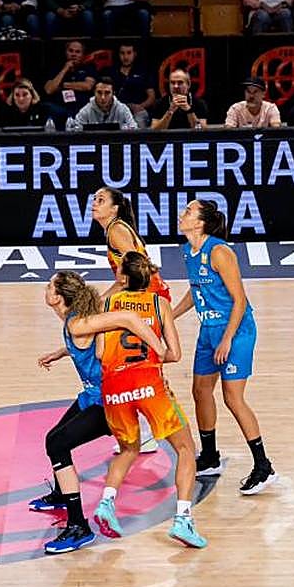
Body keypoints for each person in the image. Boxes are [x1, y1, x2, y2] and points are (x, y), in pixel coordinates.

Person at [31, 271, 168, 554]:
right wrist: (60, 353)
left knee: (56, 443)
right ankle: (61, 493)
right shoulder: (75, 320)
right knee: (55, 437)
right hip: (91, 397)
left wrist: (160, 350)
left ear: (58, 297)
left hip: (109, 403)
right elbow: (83, 342)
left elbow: (129, 319)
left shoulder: (78, 323)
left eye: (49, 286)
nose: (45, 289)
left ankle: (79, 527)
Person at [92, 251, 206, 549]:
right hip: (149, 385)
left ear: (123, 278)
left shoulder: (108, 303)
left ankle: (106, 503)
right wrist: (152, 360)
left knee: (128, 449)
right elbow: (175, 354)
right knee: (184, 447)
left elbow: (101, 354)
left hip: (115, 387)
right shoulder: (160, 304)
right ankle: (182, 519)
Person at [173, 199, 279, 495]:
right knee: (200, 390)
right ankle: (209, 456)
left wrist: (228, 338)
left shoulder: (219, 252)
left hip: (236, 331)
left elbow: (240, 299)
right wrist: (170, 315)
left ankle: (263, 466)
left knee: (233, 397)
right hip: (209, 331)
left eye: (189, 211)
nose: (183, 214)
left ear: (201, 222)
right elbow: (197, 291)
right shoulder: (188, 251)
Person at [91, 185, 169, 454]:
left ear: (114, 208)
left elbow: (138, 267)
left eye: (101, 200)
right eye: (94, 199)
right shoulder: (114, 228)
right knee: (136, 361)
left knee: (132, 361)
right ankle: (145, 429)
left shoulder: (116, 229)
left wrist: (105, 301)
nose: (94, 203)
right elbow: (125, 276)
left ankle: (148, 430)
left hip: (146, 296)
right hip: (143, 293)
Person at [43, 40, 96, 123]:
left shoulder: (88, 68)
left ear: (83, 55)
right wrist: (65, 69)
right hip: (60, 108)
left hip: (82, 108)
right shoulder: (57, 68)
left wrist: (63, 85)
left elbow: (87, 86)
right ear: (66, 52)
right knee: (48, 107)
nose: (73, 54)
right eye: (70, 51)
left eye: (77, 52)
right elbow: (49, 89)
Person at [104, 43, 156, 128]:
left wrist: (140, 106)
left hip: (138, 110)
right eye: (122, 53)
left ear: (134, 54)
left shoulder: (143, 71)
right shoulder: (111, 72)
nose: (125, 57)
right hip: (116, 110)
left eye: (129, 53)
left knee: (139, 120)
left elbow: (152, 97)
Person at [68, 77, 138, 131]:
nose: (103, 97)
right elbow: (75, 134)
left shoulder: (123, 109)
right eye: (99, 92)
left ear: (113, 93)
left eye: (107, 93)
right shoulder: (85, 111)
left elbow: (134, 130)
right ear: (94, 92)